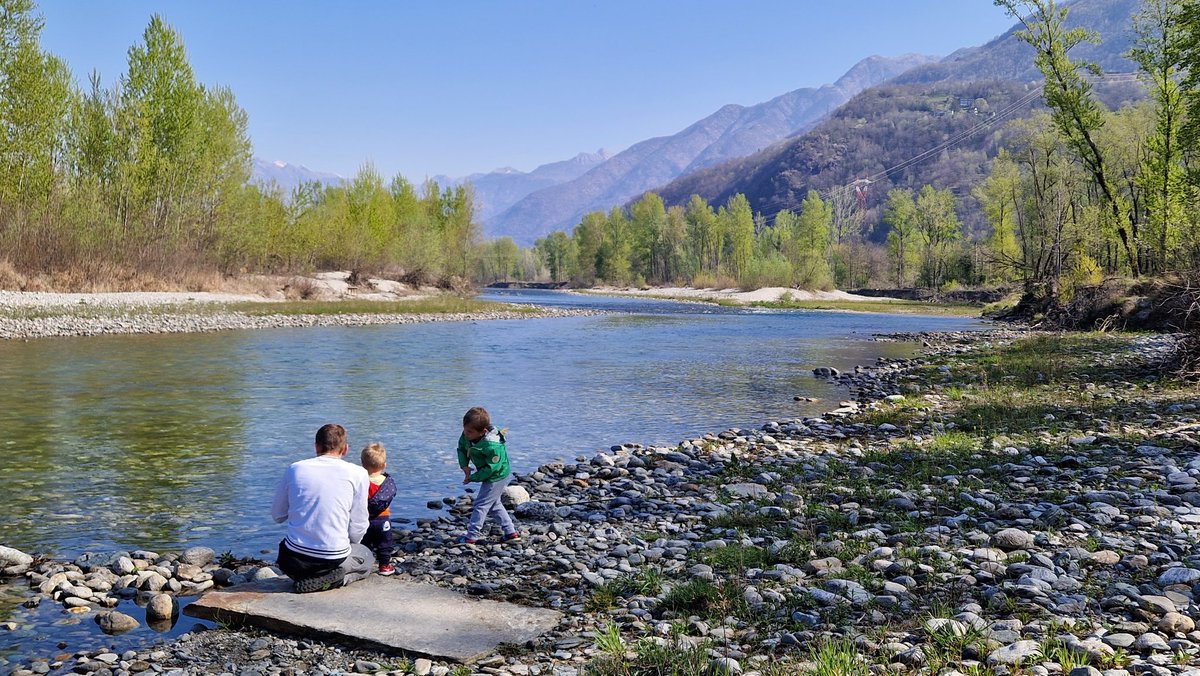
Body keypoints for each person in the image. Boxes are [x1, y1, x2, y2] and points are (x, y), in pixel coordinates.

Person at [271, 423, 374, 593]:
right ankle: (339, 578)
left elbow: (277, 515)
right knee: (367, 557)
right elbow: (359, 524)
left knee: (291, 547)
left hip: (292, 561)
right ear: (345, 449)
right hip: (332, 559)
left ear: (316, 446)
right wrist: (348, 544)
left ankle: (308, 578)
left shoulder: (295, 469)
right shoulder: (358, 473)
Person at [456, 406, 520, 544]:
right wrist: (465, 466)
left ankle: (472, 536)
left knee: (481, 504)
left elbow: (491, 469)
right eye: (465, 430)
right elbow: (461, 448)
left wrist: (473, 477)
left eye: (469, 432)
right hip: (489, 472)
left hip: (497, 475)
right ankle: (511, 532)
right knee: (494, 504)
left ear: (482, 432)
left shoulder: (492, 446)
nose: (466, 434)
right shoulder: (468, 434)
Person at [360, 442, 396, 576]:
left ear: (363, 465)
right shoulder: (386, 481)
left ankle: (364, 565)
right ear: (384, 465)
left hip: (365, 518)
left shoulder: (361, 480)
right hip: (383, 518)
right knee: (385, 542)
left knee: (365, 542)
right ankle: (384, 566)